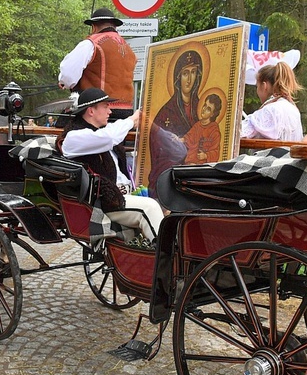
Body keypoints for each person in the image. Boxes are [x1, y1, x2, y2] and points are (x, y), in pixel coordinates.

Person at [56, 88, 165, 242]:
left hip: (122, 195)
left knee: (167, 199)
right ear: (91, 111)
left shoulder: (99, 133)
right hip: (103, 201)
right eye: (105, 106)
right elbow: (109, 137)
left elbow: (108, 138)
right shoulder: (74, 137)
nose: (110, 111)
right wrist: (132, 120)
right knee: (150, 207)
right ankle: (166, 260)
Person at [58, 8, 137, 120]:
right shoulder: (129, 49)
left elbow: (68, 75)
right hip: (126, 113)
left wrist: (63, 83)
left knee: (62, 127)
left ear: (94, 27)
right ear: (115, 26)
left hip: (96, 110)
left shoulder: (91, 43)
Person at [147, 44, 206, 194]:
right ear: (177, 78)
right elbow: (159, 152)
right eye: (185, 73)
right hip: (174, 175)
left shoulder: (203, 108)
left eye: (193, 72)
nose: (189, 79)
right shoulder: (166, 112)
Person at [241, 62, 303, 141]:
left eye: (257, 86)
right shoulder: (292, 108)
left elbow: (239, 132)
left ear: (264, 86)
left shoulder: (270, 110)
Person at [182, 93, 222, 165]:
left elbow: (216, 152)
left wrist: (205, 155)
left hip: (203, 166)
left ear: (212, 114)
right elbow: (188, 137)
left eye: (208, 109)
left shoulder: (214, 131)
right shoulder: (197, 125)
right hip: (190, 162)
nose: (204, 109)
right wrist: (179, 140)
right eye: (204, 105)